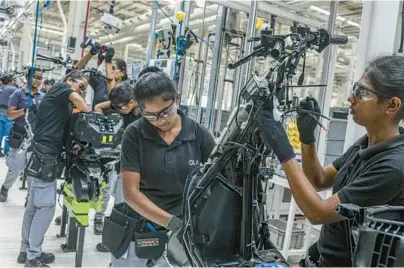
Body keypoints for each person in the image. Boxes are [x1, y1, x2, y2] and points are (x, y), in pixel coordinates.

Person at [258, 55, 404, 267]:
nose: (351, 98)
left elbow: (318, 213)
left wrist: (284, 152)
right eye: (355, 88)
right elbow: (319, 179)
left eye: (362, 93)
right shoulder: (365, 144)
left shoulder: (393, 167)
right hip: (322, 257)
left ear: (391, 105)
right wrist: (307, 138)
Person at [110, 71, 216, 267]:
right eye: (150, 115)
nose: (160, 121)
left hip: (180, 232)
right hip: (140, 224)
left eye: (165, 112)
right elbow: (131, 194)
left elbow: (219, 183)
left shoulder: (199, 135)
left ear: (177, 98)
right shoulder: (134, 134)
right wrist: (173, 224)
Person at [17, 70, 89, 267]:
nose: (81, 92)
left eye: (84, 89)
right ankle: (33, 256)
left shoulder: (60, 100)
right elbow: (80, 104)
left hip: (40, 153)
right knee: (46, 207)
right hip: (45, 155)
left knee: (33, 205)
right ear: (69, 80)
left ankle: (26, 250)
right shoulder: (61, 88)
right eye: (80, 86)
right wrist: (90, 116)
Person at [0, 68, 44, 203]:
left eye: (39, 78)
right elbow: (10, 114)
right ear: (27, 77)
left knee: (33, 170)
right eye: (34, 77)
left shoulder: (43, 97)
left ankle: (30, 197)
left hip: (36, 138)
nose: (37, 80)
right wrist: (25, 110)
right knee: (17, 167)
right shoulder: (18, 94)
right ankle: (5, 188)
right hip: (20, 136)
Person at [0, 74, 17, 157]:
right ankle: (7, 152)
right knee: (8, 135)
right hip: (7, 115)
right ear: (10, 82)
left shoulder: (1, 88)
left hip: (0, 113)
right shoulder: (11, 88)